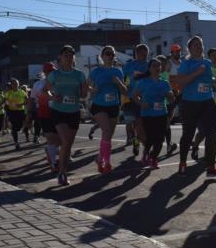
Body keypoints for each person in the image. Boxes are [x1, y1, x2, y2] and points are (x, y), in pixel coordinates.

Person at [175, 36, 216, 177]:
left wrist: (214, 84)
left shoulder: (207, 63)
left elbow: (207, 80)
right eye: (196, 45)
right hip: (190, 103)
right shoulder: (187, 63)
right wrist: (197, 72)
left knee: (211, 134)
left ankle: (211, 166)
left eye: (201, 45)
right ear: (189, 48)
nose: (199, 47)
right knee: (188, 134)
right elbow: (181, 83)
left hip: (207, 101)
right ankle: (182, 163)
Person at [44, 45, 88, 185]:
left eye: (71, 55)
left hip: (73, 112)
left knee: (68, 145)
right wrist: (52, 97)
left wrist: (85, 89)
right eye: (66, 55)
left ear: (74, 58)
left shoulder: (79, 74)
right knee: (66, 142)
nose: (68, 58)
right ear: (60, 58)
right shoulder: (54, 74)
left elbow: (83, 95)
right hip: (58, 112)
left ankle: (62, 169)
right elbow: (45, 91)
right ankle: (62, 173)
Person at [89, 45, 126, 173]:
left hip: (113, 106)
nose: (110, 56)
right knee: (106, 130)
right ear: (102, 56)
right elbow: (86, 88)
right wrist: (93, 90)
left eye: (112, 54)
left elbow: (125, 91)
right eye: (107, 53)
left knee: (108, 136)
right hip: (99, 106)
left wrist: (119, 83)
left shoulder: (118, 71)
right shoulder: (96, 72)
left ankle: (100, 158)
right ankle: (108, 163)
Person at [133, 58, 174, 169]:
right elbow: (135, 96)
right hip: (147, 114)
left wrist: (171, 96)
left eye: (159, 66)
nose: (157, 68)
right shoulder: (143, 82)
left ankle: (154, 158)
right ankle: (146, 153)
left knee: (160, 139)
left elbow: (170, 98)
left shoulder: (165, 83)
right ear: (149, 69)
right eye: (154, 66)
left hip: (162, 114)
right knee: (150, 138)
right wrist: (142, 103)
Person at [122, 44, 149, 157]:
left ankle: (138, 143)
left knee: (139, 124)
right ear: (136, 53)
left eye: (146, 53)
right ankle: (134, 140)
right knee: (131, 124)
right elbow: (124, 80)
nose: (144, 55)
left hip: (143, 98)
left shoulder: (149, 65)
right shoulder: (129, 65)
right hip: (130, 98)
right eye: (142, 53)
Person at [31, 62, 60, 172]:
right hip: (44, 113)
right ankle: (53, 164)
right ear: (44, 72)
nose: (50, 73)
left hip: (58, 112)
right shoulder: (38, 84)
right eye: (48, 71)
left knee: (60, 139)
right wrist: (29, 113)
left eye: (52, 71)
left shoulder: (59, 83)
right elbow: (32, 98)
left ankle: (50, 151)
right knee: (51, 139)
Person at [158, 55, 179, 155]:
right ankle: (168, 144)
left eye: (163, 63)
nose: (161, 65)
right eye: (159, 63)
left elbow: (169, 64)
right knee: (163, 125)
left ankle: (168, 145)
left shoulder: (167, 73)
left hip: (169, 104)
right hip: (158, 104)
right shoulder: (153, 76)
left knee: (166, 124)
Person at [3, 78, 27, 150]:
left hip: (20, 111)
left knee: (18, 126)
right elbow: (4, 100)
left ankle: (15, 131)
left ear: (18, 84)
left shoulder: (22, 92)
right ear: (12, 85)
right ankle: (16, 142)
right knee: (14, 127)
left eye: (17, 84)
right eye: (14, 84)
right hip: (12, 112)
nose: (16, 85)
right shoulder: (9, 92)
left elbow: (27, 100)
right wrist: (4, 103)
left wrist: (21, 104)